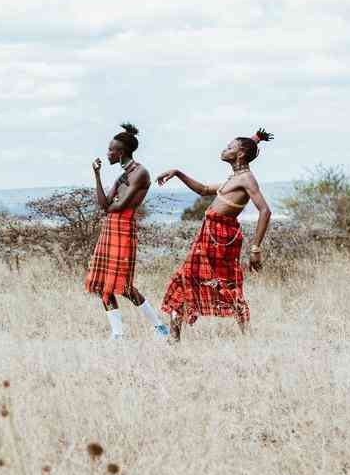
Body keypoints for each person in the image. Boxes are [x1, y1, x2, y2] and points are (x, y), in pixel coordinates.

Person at [156, 128, 273, 342]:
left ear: (240, 154)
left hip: (222, 237)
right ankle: (174, 338)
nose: (224, 149)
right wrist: (178, 172)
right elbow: (203, 189)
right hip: (209, 234)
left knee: (225, 285)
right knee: (189, 280)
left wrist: (256, 248)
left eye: (229, 147)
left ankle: (246, 337)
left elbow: (265, 210)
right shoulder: (235, 178)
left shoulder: (247, 179)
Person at [85, 123, 170, 340]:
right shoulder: (122, 176)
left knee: (123, 286)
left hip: (123, 228)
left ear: (120, 152)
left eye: (111, 150)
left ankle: (159, 327)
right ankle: (118, 335)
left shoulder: (140, 173)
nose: (108, 153)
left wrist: (112, 203)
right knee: (103, 285)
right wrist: (97, 175)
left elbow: (118, 206)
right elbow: (105, 205)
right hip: (110, 227)